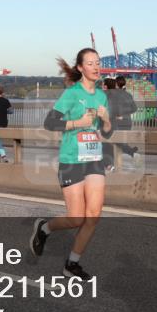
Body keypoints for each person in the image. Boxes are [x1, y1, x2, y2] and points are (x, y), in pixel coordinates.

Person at [30, 48, 113, 281]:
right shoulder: (72, 94)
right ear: (80, 68)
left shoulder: (101, 96)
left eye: (98, 62)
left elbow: (106, 132)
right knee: (76, 218)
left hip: (93, 159)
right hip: (71, 160)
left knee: (93, 216)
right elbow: (49, 123)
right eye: (90, 63)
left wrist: (106, 119)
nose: (96, 67)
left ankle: (72, 264)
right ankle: (44, 228)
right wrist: (77, 123)